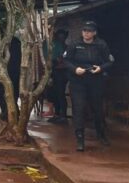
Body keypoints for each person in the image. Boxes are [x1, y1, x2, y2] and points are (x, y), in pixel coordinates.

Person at [63, 21, 113, 152]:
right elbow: (66, 61)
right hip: (78, 81)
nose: (86, 33)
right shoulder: (74, 44)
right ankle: (80, 139)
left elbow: (110, 61)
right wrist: (75, 69)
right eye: (84, 30)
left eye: (89, 31)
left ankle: (101, 134)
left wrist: (100, 68)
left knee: (97, 109)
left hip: (95, 80)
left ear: (94, 33)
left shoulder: (101, 44)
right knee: (78, 109)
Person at [47, 29, 69, 125]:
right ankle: (57, 114)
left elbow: (62, 60)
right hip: (55, 72)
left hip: (62, 73)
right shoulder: (55, 46)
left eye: (62, 37)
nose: (61, 38)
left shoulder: (66, 48)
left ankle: (63, 116)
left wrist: (55, 61)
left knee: (60, 94)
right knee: (54, 93)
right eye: (59, 36)